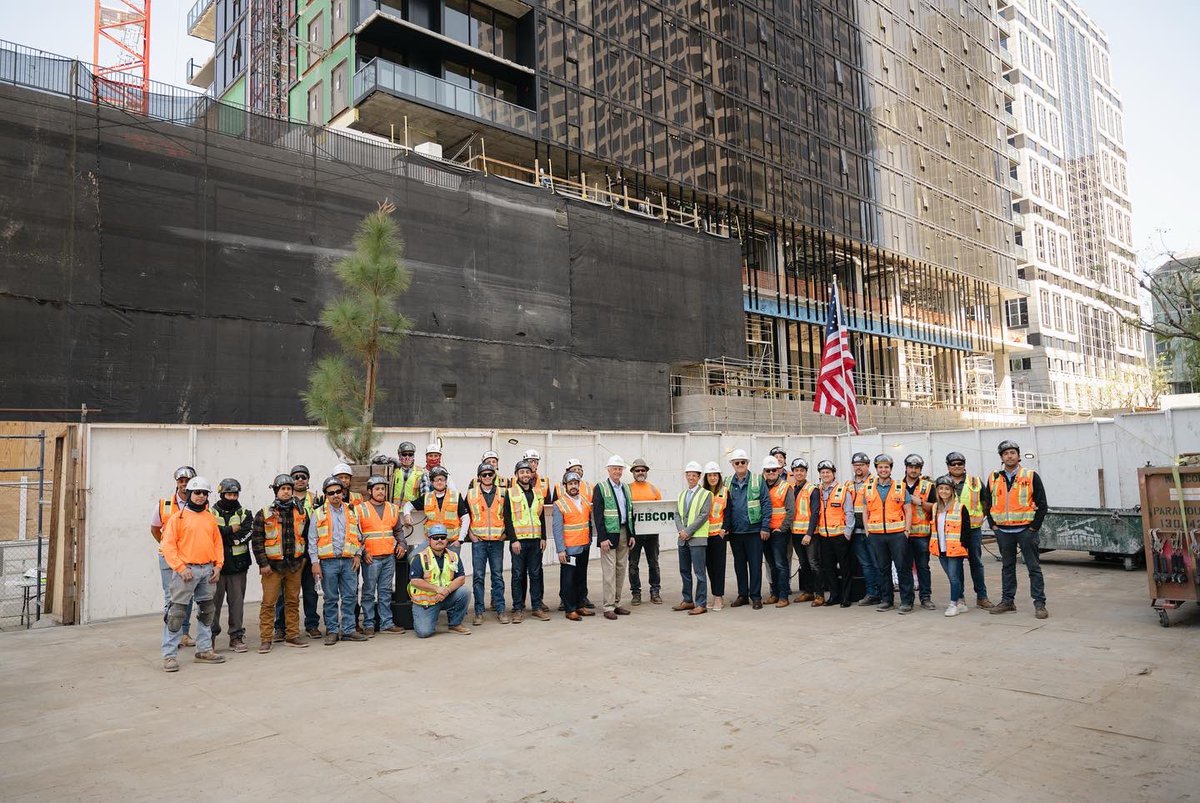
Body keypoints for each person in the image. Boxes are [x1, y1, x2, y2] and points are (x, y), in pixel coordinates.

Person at [160, 476, 225, 672]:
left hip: (208, 570)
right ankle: (169, 655)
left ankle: (204, 650)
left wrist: (218, 566)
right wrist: (180, 568)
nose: (201, 496)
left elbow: (217, 544)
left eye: (204, 493)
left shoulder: (210, 518)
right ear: (189, 494)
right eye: (197, 492)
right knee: (176, 614)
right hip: (185, 572)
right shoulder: (177, 518)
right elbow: (168, 546)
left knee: (206, 612)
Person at [984, 440, 1050, 619]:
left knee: (1033, 567)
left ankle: (1039, 604)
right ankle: (1007, 601)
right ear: (1001, 457)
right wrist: (994, 526)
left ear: (1018, 455)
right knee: (1007, 567)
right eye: (1006, 453)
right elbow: (987, 503)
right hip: (1003, 532)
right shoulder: (993, 477)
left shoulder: (1030, 476)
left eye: (1012, 452)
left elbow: (1042, 505)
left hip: (1025, 531)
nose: (1009, 456)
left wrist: (1033, 528)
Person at [251, 473, 311, 652]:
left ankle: (292, 636)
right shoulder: (264, 513)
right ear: (276, 491)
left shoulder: (301, 512)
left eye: (288, 489)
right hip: (272, 568)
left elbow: (306, 537)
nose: (286, 492)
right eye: (283, 489)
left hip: (294, 566)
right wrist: (263, 564)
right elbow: (257, 541)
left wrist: (303, 561)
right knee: (269, 603)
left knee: (293, 602)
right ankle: (266, 639)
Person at [931, 452, 993, 609]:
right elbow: (936, 504)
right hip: (951, 534)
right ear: (948, 466)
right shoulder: (942, 483)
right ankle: (960, 597)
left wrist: (979, 518)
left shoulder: (975, 481)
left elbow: (986, 502)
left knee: (976, 563)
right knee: (955, 566)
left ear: (964, 465)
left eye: (960, 463)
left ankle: (982, 596)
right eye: (953, 464)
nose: (957, 466)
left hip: (972, 530)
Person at [310, 476, 368, 645]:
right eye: (331, 493)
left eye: (338, 491)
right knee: (330, 598)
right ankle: (332, 630)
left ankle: (349, 630)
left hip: (349, 561)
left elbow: (360, 537)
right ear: (326, 495)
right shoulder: (318, 513)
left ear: (343, 493)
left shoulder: (352, 511)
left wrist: (358, 554)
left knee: (350, 596)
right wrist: (315, 563)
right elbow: (312, 540)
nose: (335, 495)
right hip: (328, 563)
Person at [273, 464, 322, 641]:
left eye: (303, 476)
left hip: (309, 552)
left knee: (310, 591)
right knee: (284, 593)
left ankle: (312, 625)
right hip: (288, 552)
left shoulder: (317, 499)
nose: (300, 479)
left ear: (308, 480)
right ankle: (281, 627)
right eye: (297, 477)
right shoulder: (283, 498)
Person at [356, 475, 407, 635]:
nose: (380, 491)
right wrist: (363, 552)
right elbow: (356, 534)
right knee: (369, 592)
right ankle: (369, 624)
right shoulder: (360, 509)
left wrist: (402, 544)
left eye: (383, 489)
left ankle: (386, 623)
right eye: (377, 489)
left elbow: (398, 530)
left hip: (388, 557)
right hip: (371, 558)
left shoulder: (393, 508)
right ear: (370, 491)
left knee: (385, 591)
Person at [153, 466, 195, 648]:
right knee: (170, 597)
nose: (184, 485)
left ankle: (184, 633)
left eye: (187, 481)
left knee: (188, 596)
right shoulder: (164, 504)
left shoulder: (200, 503)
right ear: (177, 483)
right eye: (181, 481)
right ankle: (172, 634)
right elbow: (155, 528)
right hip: (168, 558)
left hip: (189, 557)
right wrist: (167, 545)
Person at [863, 455, 912, 613]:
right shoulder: (868, 487)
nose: (883, 470)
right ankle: (887, 600)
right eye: (880, 467)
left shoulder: (900, 486)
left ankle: (906, 601)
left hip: (897, 534)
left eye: (886, 467)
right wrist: (867, 530)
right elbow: (865, 511)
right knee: (882, 568)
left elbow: (908, 509)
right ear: (876, 469)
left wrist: (907, 530)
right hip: (876, 535)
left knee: (902, 568)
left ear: (891, 469)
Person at [723, 449, 771, 610]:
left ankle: (755, 596)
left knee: (755, 565)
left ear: (747, 463)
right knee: (740, 565)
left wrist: (765, 527)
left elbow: (766, 503)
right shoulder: (727, 481)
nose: (740, 465)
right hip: (736, 532)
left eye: (743, 462)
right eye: (737, 462)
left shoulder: (758, 480)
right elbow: (722, 506)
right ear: (732, 464)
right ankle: (742, 595)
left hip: (754, 531)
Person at [465, 461, 511, 625]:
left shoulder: (504, 493)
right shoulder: (471, 494)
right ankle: (478, 612)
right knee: (478, 577)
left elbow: (508, 515)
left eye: (490, 474)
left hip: (497, 542)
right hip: (479, 542)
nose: (487, 477)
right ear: (479, 477)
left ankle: (500, 610)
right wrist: (470, 534)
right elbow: (465, 516)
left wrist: (505, 534)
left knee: (497, 577)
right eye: (484, 475)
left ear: (494, 476)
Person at [210, 478, 252, 653]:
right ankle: (209, 638)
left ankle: (236, 637)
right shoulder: (209, 513)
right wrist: (230, 530)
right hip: (215, 568)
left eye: (235, 494)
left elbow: (247, 531)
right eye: (229, 494)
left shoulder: (245, 513)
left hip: (238, 567)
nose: (232, 497)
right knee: (212, 605)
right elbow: (209, 534)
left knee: (237, 604)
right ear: (221, 494)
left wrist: (228, 537)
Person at [407, 524, 472, 637]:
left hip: (445, 596)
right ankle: (431, 615)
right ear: (429, 540)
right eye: (436, 538)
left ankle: (455, 624)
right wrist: (437, 589)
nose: (439, 540)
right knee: (424, 632)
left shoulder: (453, 556)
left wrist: (446, 591)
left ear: (447, 540)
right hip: (426, 601)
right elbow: (415, 581)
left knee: (464, 592)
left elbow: (461, 578)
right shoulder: (420, 557)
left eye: (442, 537)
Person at [593, 455, 635, 620]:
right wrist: (602, 537)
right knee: (609, 572)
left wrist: (632, 534)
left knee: (620, 569)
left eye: (619, 468)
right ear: (608, 470)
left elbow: (630, 512)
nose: (617, 471)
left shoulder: (625, 488)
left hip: (624, 532)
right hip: (609, 535)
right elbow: (597, 515)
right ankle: (608, 606)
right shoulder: (601, 488)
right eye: (614, 468)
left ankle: (616, 603)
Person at [506, 459, 549, 622]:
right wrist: (513, 540)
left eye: (527, 472)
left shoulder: (538, 493)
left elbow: (541, 516)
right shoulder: (510, 493)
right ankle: (518, 608)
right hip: (519, 542)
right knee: (517, 575)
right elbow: (508, 518)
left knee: (536, 574)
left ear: (532, 474)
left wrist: (543, 536)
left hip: (535, 540)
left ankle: (537, 607)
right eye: (521, 472)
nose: (525, 474)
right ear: (516, 474)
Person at [552, 472, 595, 621]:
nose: (573, 486)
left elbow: (588, 522)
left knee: (581, 578)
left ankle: (580, 605)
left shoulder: (584, 500)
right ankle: (570, 609)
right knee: (568, 580)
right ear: (565, 486)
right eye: (570, 484)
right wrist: (561, 550)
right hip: (569, 549)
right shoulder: (560, 504)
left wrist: (589, 541)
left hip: (583, 547)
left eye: (576, 483)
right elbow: (557, 529)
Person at [809, 460, 853, 607]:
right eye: (823, 472)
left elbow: (849, 512)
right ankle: (834, 596)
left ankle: (846, 597)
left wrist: (848, 532)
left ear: (833, 473)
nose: (825, 475)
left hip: (840, 536)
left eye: (828, 472)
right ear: (820, 475)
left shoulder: (842, 490)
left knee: (845, 568)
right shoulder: (817, 490)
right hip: (824, 536)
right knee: (828, 568)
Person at [673, 462, 713, 615]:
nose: (691, 477)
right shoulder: (682, 494)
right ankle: (688, 600)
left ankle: (701, 603)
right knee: (684, 571)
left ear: (699, 477)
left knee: (699, 572)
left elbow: (703, 515)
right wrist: (681, 531)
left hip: (697, 539)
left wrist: (688, 531)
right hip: (683, 539)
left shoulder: (706, 494)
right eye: (689, 475)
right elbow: (677, 514)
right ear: (686, 476)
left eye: (694, 475)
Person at [843, 452, 882, 606]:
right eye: (856, 465)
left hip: (872, 530)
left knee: (877, 563)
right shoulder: (848, 484)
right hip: (856, 532)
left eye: (861, 465)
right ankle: (872, 594)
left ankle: (884, 593)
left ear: (868, 465)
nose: (858, 468)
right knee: (865, 565)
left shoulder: (876, 482)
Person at [930, 475, 971, 618]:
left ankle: (953, 604)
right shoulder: (936, 507)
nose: (943, 491)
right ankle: (961, 601)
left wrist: (963, 547)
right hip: (941, 548)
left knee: (954, 577)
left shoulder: (960, 508)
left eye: (947, 489)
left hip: (955, 549)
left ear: (952, 491)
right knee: (952, 577)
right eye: (941, 488)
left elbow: (966, 529)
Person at [901, 454, 936, 611]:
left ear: (920, 470)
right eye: (911, 467)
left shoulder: (928, 486)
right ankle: (908, 600)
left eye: (917, 468)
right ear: (906, 468)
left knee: (923, 567)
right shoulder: (897, 486)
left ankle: (925, 597)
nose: (913, 470)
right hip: (902, 534)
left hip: (921, 534)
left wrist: (920, 502)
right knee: (905, 567)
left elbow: (936, 507)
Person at [627, 458, 663, 606]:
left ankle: (655, 591)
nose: (640, 472)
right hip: (634, 534)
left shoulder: (654, 489)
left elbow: (661, 510)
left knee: (653, 563)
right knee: (633, 564)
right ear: (633, 473)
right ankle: (636, 593)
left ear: (646, 472)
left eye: (643, 470)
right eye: (637, 470)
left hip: (652, 533)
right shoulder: (627, 489)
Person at [789, 459, 823, 607]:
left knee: (814, 563)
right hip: (795, 533)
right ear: (793, 472)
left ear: (806, 472)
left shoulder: (812, 489)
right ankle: (808, 592)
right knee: (804, 564)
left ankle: (819, 594)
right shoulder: (791, 488)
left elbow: (815, 512)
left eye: (802, 470)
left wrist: (809, 533)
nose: (799, 473)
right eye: (796, 470)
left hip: (810, 534)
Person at [761, 456, 795, 607]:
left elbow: (790, 511)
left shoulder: (785, 487)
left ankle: (783, 596)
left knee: (781, 564)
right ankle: (774, 594)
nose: (771, 472)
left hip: (779, 532)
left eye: (774, 470)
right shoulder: (761, 486)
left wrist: (782, 528)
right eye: (768, 470)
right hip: (765, 530)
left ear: (779, 470)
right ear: (764, 472)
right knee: (771, 564)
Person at [702, 462, 728, 611]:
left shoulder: (725, 491)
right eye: (710, 475)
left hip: (718, 535)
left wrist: (725, 528)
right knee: (709, 567)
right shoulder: (702, 492)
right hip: (704, 535)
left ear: (719, 476)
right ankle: (715, 595)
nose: (713, 478)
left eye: (715, 475)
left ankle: (719, 597)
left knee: (719, 567)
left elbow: (728, 512)